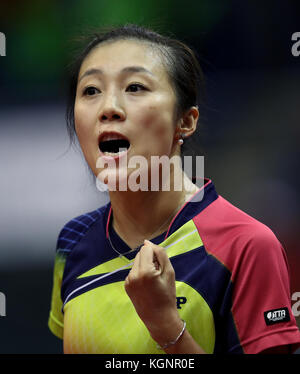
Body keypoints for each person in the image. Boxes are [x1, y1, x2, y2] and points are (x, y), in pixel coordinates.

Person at [48, 24, 300, 354]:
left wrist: (166, 327)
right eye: (91, 90)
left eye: (135, 86)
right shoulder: (72, 241)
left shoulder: (246, 246)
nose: (108, 107)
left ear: (185, 121)